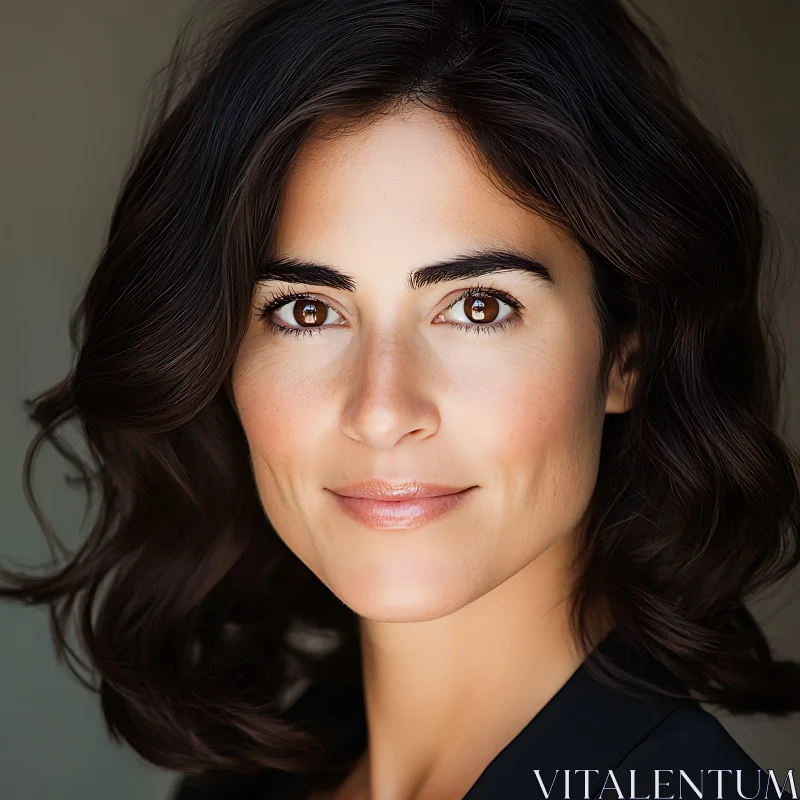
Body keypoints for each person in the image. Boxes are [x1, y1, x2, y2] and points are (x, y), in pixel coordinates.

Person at [3, 0, 799, 798]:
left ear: (628, 352)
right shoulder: (238, 785)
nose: (382, 408)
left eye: (479, 307)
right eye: (306, 311)